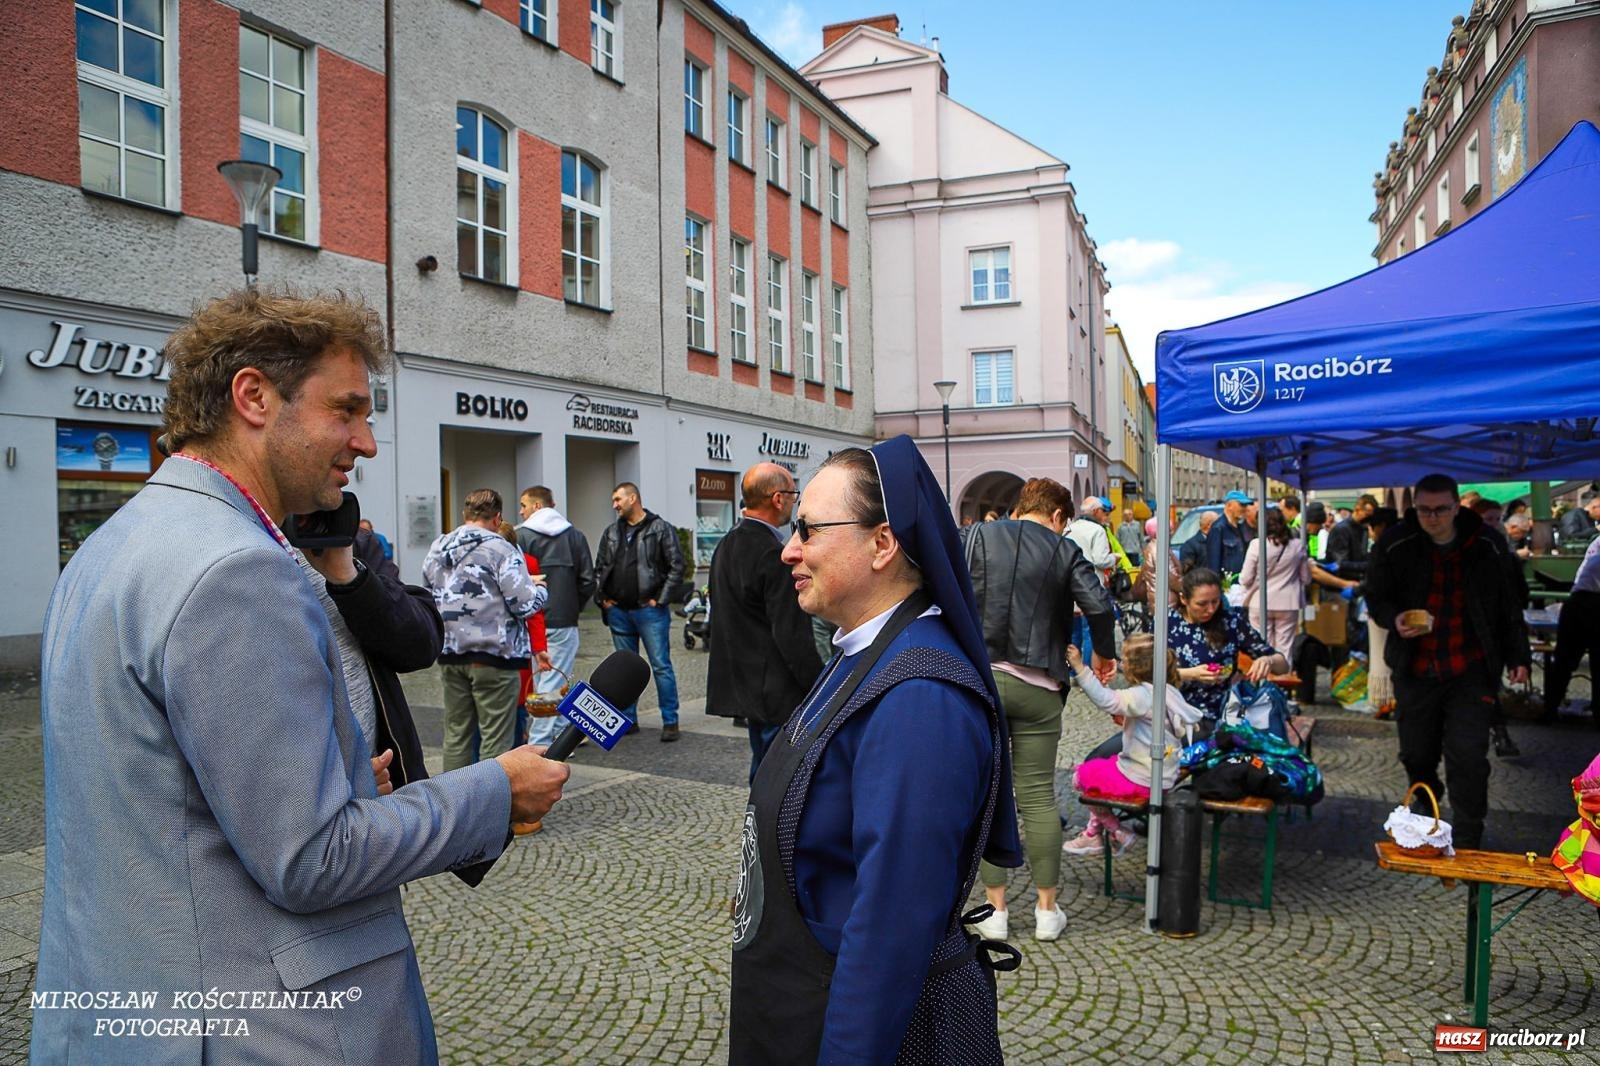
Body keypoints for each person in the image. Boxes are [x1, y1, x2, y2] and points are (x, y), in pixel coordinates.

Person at [32, 288, 567, 1061]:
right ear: (253, 397)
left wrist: (341, 781)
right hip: (252, 1030)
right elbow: (313, 859)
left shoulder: (115, 543)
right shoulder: (238, 569)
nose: (368, 442)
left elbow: (162, 796)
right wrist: (494, 788)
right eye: (346, 410)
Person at [729, 438, 1021, 1065]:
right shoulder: (861, 650)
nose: (788, 549)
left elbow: (891, 928)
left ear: (882, 544)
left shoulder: (921, 697)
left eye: (807, 529)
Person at [965, 477, 1117, 943]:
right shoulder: (1064, 550)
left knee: (991, 795)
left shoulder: (973, 537)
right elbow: (1100, 608)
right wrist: (1102, 655)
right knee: (1036, 797)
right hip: (1039, 687)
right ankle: (1048, 912)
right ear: (1057, 517)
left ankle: (995, 911)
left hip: (984, 682)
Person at [1366, 473, 1530, 850]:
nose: (1432, 517)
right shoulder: (1396, 543)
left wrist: (1518, 655)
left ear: (1457, 507)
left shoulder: (1487, 543)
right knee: (1415, 751)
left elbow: (1509, 604)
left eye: (1441, 509)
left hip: (1470, 668)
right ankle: (1426, 793)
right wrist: (1395, 618)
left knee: (1469, 755)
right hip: (1416, 667)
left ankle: (1470, 832)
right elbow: (1375, 595)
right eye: (1424, 510)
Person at [706, 462, 824, 782]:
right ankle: (765, 830)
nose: (793, 502)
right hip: (775, 688)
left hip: (745, 682)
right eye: (792, 495)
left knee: (762, 769)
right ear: (777, 499)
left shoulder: (727, 544)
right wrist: (819, 684)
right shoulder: (773, 553)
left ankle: (758, 828)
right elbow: (791, 633)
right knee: (777, 777)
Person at [425, 489, 547, 770]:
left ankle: (454, 805)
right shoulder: (502, 548)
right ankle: (490, 810)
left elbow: (428, 593)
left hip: (451, 653)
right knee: (496, 742)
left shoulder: (439, 547)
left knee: (456, 735)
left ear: (464, 516)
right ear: (497, 518)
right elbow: (523, 604)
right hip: (496, 657)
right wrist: (540, 589)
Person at [1061, 636, 1204, 855]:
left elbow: (1105, 699)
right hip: (1164, 774)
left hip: (1142, 779)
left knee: (1081, 776)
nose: (1122, 665)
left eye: (1125, 661)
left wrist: (1080, 668)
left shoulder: (1142, 694)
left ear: (1136, 668)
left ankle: (1117, 830)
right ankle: (1092, 835)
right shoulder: (1168, 691)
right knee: (1102, 769)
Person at [595, 481, 687, 741]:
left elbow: (676, 566)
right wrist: (602, 598)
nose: (614, 505)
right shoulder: (612, 532)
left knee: (660, 666)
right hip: (618, 611)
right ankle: (628, 719)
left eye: (618, 500)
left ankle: (670, 721)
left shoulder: (660, 529)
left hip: (650, 611)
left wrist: (661, 599)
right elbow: (600, 566)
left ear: (633, 498)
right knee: (624, 670)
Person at [516, 485, 597, 746]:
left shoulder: (522, 536)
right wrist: (573, 606)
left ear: (537, 506)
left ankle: (540, 743)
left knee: (543, 682)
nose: (521, 511)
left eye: (524, 505)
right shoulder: (575, 536)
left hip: (531, 619)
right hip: (564, 618)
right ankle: (555, 737)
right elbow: (587, 580)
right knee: (556, 680)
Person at [1167, 567, 1288, 728]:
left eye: (1215, 601)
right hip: (1169, 713)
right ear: (1184, 599)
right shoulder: (1166, 623)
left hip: (1216, 716)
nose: (1210, 609)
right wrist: (1191, 674)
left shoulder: (1231, 622)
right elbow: (1148, 675)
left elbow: (1283, 666)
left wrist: (1268, 660)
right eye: (1202, 604)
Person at [1542, 533, 1600, 724]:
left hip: (1578, 601)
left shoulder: (1596, 546)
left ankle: (1550, 709)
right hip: (1591, 602)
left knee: (1564, 660)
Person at [1238, 507, 1314, 653]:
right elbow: (1306, 578)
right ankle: (1283, 674)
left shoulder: (1257, 545)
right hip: (1288, 602)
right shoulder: (1298, 545)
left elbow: (1245, 578)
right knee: (1285, 648)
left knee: (1261, 646)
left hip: (1259, 601)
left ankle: (1265, 675)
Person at [1327, 494, 1378, 581]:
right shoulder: (1342, 529)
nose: (1369, 519)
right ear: (1357, 509)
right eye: (1367, 515)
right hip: (1340, 582)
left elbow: (1362, 555)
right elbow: (1340, 563)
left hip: (1356, 580)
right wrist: (1369, 565)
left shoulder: (1363, 528)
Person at [1204, 490, 1253, 578]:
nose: (1245, 508)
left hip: (1240, 583)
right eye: (1241, 505)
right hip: (1226, 585)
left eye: (1246, 505)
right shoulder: (1218, 528)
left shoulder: (1241, 528)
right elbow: (1213, 563)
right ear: (1229, 505)